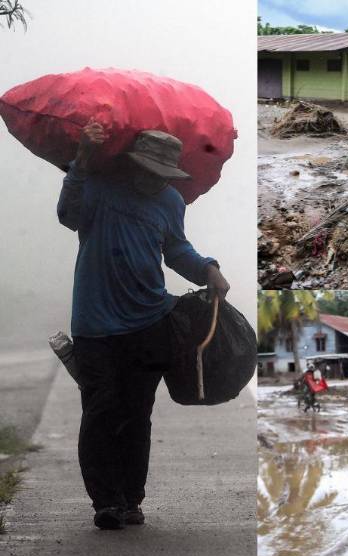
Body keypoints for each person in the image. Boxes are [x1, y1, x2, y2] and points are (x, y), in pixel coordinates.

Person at [58, 121, 230, 530]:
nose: (156, 181)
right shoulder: (99, 186)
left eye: (164, 175)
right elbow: (67, 216)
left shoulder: (169, 201)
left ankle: (131, 499)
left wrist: (208, 269)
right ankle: (106, 501)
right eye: (150, 172)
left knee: (137, 414)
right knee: (101, 410)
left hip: (150, 321)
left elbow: (176, 248)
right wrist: (82, 159)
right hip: (95, 324)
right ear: (133, 164)